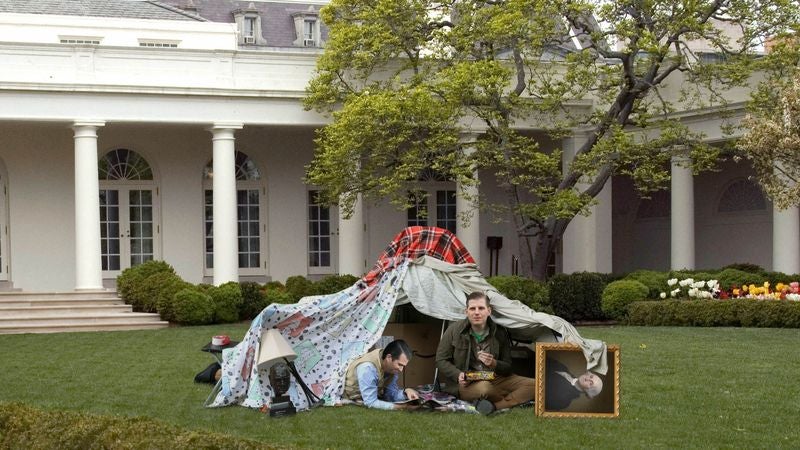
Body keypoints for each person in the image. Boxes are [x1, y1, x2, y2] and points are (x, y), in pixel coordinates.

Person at [436, 291, 535, 415]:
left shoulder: (499, 332)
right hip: (468, 381)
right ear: (466, 311)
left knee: (537, 385)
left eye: (481, 308)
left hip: (494, 377)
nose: (477, 312)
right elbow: (440, 360)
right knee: (485, 389)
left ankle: (495, 406)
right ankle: (507, 398)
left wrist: (494, 363)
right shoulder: (454, 330)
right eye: (472, 308)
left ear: (489, 311)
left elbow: (508, 367)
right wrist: (458, 375)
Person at [343, 339, 420, 410]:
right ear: (389, 357)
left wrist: (405, 392)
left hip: (370, 398)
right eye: (399, 364)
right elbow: (371, 403)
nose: (401, 369)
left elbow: (389, 395)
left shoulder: (391, 368)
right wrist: (402, 407)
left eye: (403, 366)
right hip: (353, 399)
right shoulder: (368, 367)